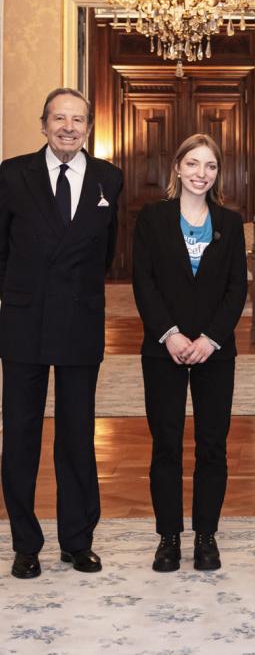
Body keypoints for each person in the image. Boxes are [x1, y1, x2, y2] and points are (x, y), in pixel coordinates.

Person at [0, 88, 123, 578]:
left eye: (78, 119)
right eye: (59, 118)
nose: (68, 127)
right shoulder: (11, 175)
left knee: (76, 434)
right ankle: (25, 543)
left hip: (79, 322)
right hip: (23, 323)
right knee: (22, 435)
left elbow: (107, 252)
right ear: (43, 123)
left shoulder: (108, 179)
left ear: (89, 127)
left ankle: (78, 540)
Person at [132, 134, 247, 572]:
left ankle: (206, 536)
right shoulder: (152, 219)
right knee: (166, 444)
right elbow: (144, 282)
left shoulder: (230, 223)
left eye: (211, 166)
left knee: (212, 446)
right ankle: (168, 538)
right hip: (164, 350)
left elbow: (238, 287)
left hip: (215, 352)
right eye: (194, 164)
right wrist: (171, 334)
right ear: (177, 167)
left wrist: (211, 338)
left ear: (218, 173)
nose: (202, 173)